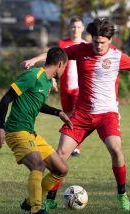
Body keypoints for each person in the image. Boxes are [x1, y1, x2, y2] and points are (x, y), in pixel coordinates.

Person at [22, 17, 130, 211]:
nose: (98, 45)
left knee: (116, 149)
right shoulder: (81, 50)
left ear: (110, 40)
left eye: (102, 42)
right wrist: (34, 59)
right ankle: (50, 198)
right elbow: (54, 55)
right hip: (81, 114)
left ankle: (122, 194)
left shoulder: (117, 56)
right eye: (95, 41)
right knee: (61, 154)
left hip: (107, 114)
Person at [0, 47, 72, 214]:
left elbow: (36, 102)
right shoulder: (32, 76)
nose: (65, 71)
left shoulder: (48, 81)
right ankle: (36, 209)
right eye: (65, 67)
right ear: (59, 64)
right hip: (15, 131)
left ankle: (29, 201)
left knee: (61, 169)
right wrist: (0, 127)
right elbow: (6, 99)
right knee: (38, 165)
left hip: (30, 132)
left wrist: (58, 113)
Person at [58, 16, 87, 157]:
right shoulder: (62, 44)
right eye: (73, 27)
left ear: (83, 28)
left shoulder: (86, 45)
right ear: (70, 28)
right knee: (67, 116)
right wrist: (52, 79)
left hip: (79, 88)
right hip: (64, 88)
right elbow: (56, 64)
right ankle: (69, 146)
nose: (75, 30)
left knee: (76, 117)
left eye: (78, 27)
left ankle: (76, 147)